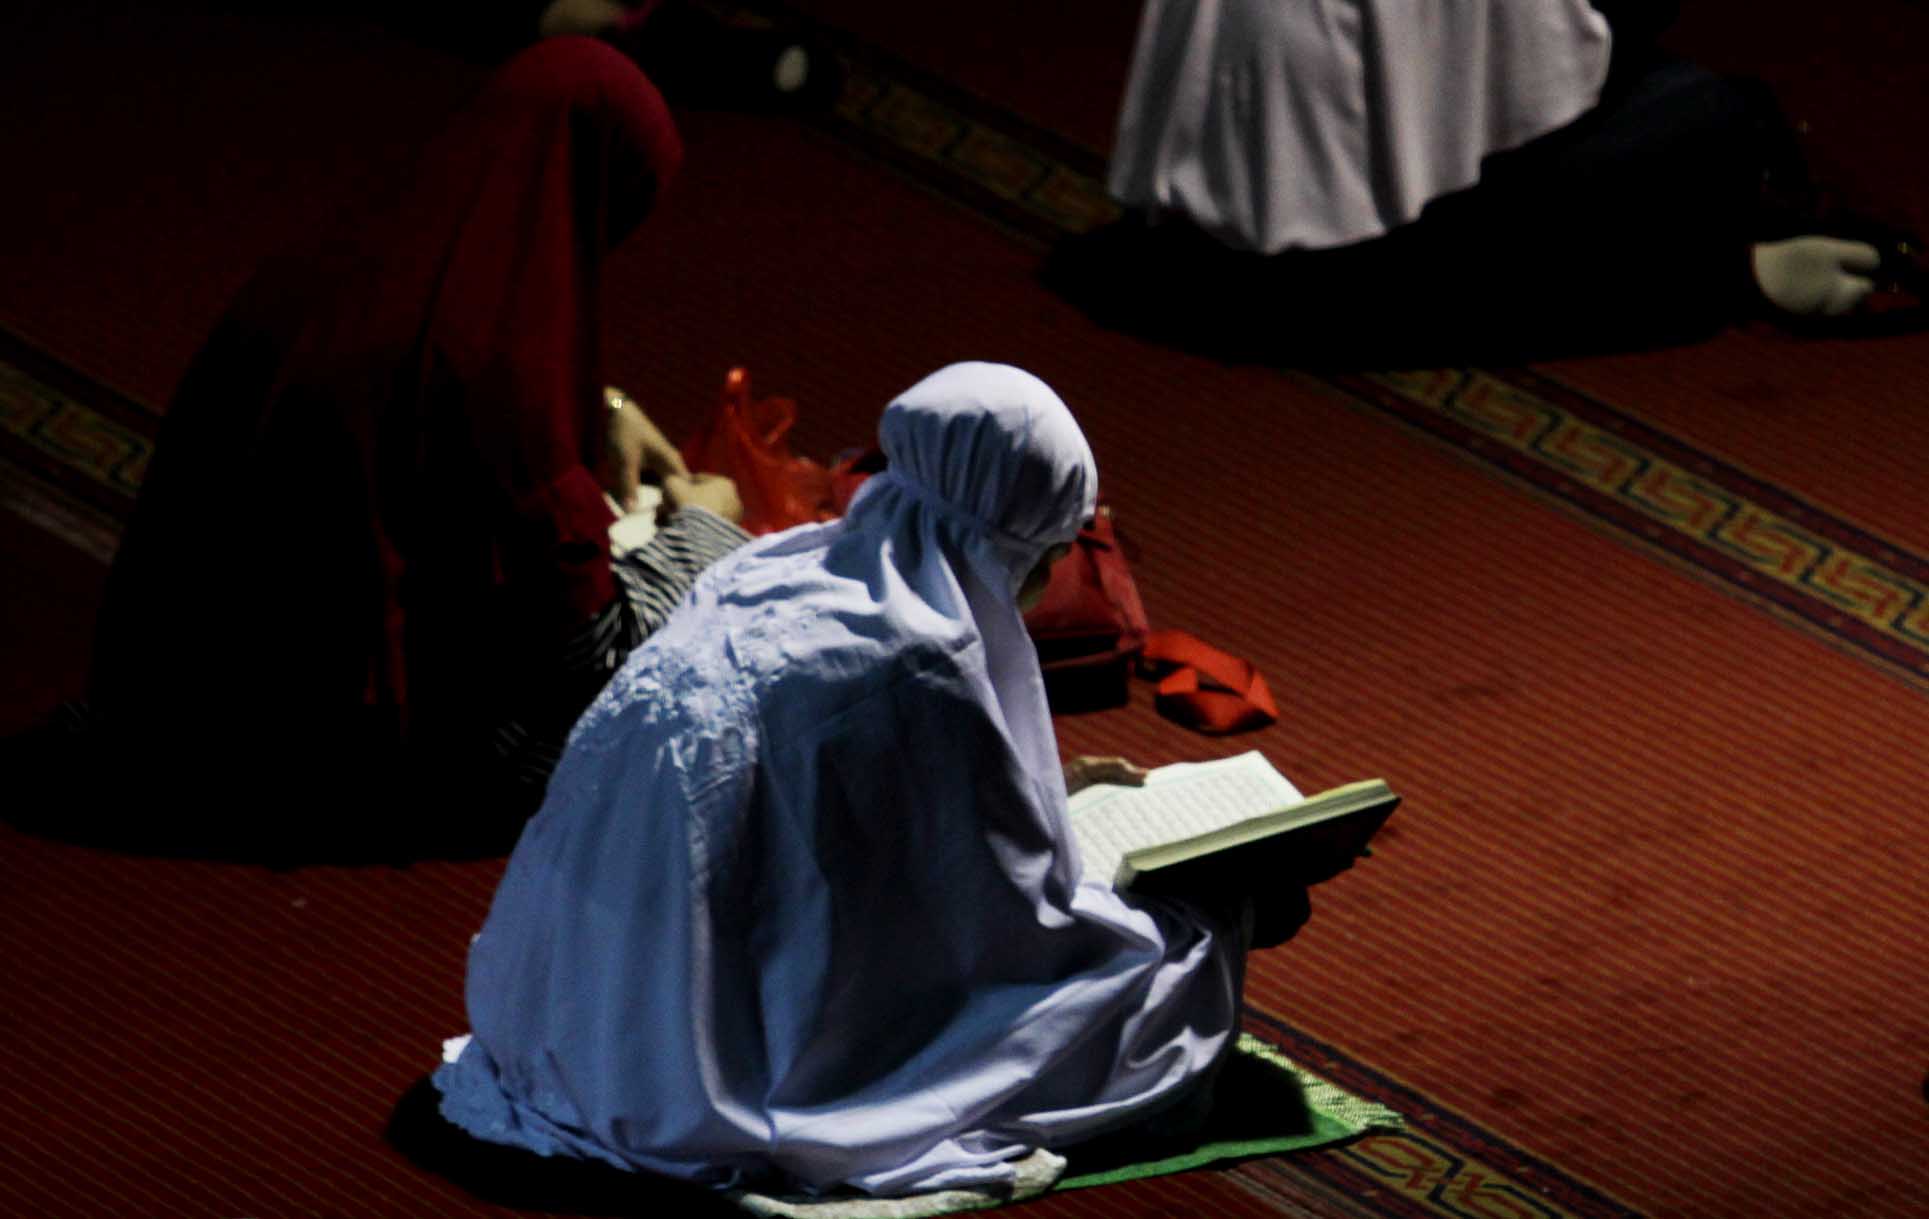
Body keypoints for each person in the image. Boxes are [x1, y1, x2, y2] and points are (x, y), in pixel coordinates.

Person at [428, 362, 1310, 1200]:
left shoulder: (766, 569)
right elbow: (1007, 931)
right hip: (690, 1069)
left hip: (558, 1004)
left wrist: (1050, 789)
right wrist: (1211, 908)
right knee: (1167, 973)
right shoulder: (925, 659)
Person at [63, 39, 750, 859]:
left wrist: (604, 406)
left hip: (163, 684)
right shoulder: (502, 372)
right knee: (703, 697)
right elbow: (586, 655)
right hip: (313, 756)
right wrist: (707, 535)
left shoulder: (348, 255)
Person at [1050, 0, 1919, 364]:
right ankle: (1735, 273)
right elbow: (1560, 74)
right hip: (1317, 284)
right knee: (1711, 121)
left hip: (1167, 241)